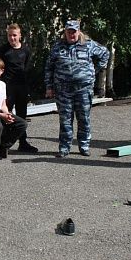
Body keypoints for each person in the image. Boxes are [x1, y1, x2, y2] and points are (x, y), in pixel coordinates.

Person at [44, 20, 109, 158]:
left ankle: (84, 146)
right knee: (65, 120)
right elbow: (49, 67)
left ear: (79, 31)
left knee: (84, 118)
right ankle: (64, 148)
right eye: (69, 32)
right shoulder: (57, 47)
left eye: (74, 31)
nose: (71, 34)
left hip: (83, 89)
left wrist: (94, 71)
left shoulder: (89, 44)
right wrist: (49, 87)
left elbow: (105, 53)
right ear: (65, 32)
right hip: (63, 90)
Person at [0, 23, 38, 153]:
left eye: (14, 35)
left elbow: (27, 68)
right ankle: (2, 144)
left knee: (22, 115)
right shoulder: (2, 51)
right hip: (7, 88)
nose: (12, 38)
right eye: (10, 35)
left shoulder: (26, 50)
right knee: (6, 116)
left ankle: (23, 142)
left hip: (22, 87)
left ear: (20, 35)